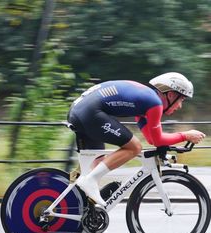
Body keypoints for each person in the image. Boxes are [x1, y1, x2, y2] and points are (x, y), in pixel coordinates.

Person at [67, 72, 206, 206]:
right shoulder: (154, 103)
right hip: (89, 113)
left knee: (96, 167)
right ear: (171, 94)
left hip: (80, 111)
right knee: (134, 147)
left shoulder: (144, 103)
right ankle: (90, 180)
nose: (180, 106)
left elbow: (152, 140)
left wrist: (172, 140)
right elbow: (158, 140)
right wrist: (185, 135)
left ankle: (89, 220)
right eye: (181, 99)